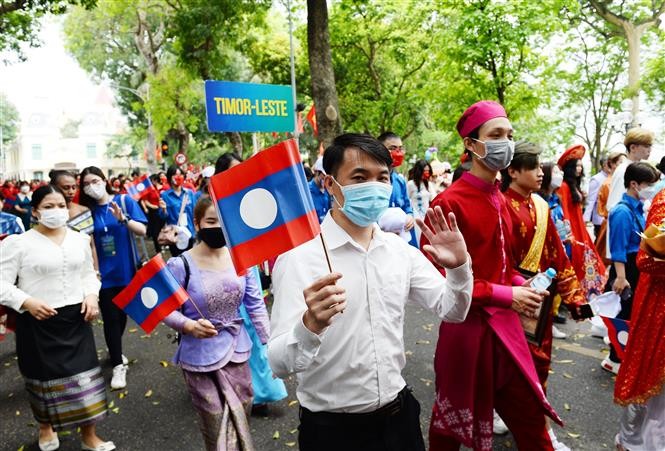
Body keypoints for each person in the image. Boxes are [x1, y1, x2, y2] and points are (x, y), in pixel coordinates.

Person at [268, 133, 473, 451]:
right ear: (330, 184)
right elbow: (279, 363)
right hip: (332, 432)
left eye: (383, 178)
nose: (374, 187)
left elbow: (453, 310)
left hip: (399, 419)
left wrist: (459, 267)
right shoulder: (298, 257)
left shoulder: (398, 250)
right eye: (360, 177)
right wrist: (310, 326)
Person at [424, 101, 560, 451]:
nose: (506, 143)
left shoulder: (501, 199)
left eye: (510, 135)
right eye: (496, 135)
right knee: (447, 431)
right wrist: (506, 294)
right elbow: (441, 281)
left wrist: (519, 284)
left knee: (532, 423)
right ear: (471, 145)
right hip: (466, 334)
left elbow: (503, 266)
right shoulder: (448, 203)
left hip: (507, 331)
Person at [0, 185, 115, 451]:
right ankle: (45, 428)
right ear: (35, 211)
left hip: (76, 319)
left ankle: (90, 435)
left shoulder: (78, 239)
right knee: (42, 380)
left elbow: (88, 274)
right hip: (37, 320)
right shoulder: (18, 243)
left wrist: (91, 296)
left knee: (85, 377)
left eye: (61, 205)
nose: (56, 211)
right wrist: (26, 302)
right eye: (49, 206)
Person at [163, 197, 270, 451]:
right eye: (211, 221)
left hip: (238, 351)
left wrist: (271, 344)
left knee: (241, 414)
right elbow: (164, 309)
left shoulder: (241, 259)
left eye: (224, 222)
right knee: (214, 420)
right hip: (199, 357)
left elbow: (255, 304)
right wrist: (189, 326)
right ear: (197, 224)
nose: (218, 227)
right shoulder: (180, 264)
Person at [501, 141, 588, 451]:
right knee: (509, 365)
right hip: (509, 298)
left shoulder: (539, 205)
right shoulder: (498, 205)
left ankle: (535, 423)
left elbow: (557, 256)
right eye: (535, 167)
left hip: (542, 301)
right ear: (512, 171)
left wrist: (576, 298)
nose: (541, 173)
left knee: (538, 364)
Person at [214, 151, 288, 416]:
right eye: (233, 170)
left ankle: (262, 392)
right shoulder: (213, 206)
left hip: (250, 272)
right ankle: (230, 388)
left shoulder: (250, 200)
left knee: (255, 331)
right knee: (230, 333)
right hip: (222, 275)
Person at [79, 166, 147, 390]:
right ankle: (118, 365)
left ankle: (114, 348)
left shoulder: (124, 201)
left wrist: (123, 219)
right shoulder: (85, 212)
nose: (92, 186)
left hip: (126, 271)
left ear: (104, 180)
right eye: (86, 184)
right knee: (110, 318)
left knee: (122, 315)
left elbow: (143, 231)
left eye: (95, 181)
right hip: (102, 275)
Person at [613, 184, 665, 451]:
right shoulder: (663, 200)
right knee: (650, 380)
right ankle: (632, 441)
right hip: (659, 308)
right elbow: (646, 260)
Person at [602, 162, 661, 375]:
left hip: (634, 269)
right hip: (624, 270)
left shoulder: (638, 208)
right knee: (621, 314)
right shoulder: (621, 211)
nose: (652, 189)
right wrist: (620, 277)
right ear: (634, 184)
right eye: (648, 184)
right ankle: (613, 358)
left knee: (630, 313)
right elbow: (618, 248)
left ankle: (621, 355)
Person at [556, 145, 606, 297]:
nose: (579, 169)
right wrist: (567, 233)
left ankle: (585, 289)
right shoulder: (563, 187)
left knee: (586, 257)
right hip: (572, 228)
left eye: (580, 166)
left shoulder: (573, 186)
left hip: (580, 226)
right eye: (576, 166)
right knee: (576, 259)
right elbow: (564, 211)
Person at [606, 128, 654, 254]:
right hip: (625, 238)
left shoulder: (639, 168)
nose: (649, 150)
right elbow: (613, 206)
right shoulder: (623, 170)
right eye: (646, 146)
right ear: (633, 147)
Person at [377, 131, 417, 246]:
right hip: (380, 239)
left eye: (400, 148)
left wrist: (410, 215)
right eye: (392, 148)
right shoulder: (371, 180)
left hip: (403, 238)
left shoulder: (400, 181)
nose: (398, 153)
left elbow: (407, 205)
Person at [594, 152, 627, 263]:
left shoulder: (614, 181)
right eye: (621, 162)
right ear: (612, 164)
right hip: (611, 222)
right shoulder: (609, 183)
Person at [160, 165, 197, 256]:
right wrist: (164, 209)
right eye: (175, 175)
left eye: (180, 174)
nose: (178, 177)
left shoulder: (189, 193)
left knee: (192, 260)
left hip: (190, 232)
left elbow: (195, 212)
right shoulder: (165, 196)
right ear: (169, 178)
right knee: (179, 261)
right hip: (175, 235)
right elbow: (163, 217)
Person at [407, 159, 434, 242]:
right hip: (415, 218)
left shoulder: (429, 184)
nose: (427, 173)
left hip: (427, 217)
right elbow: (407, 200)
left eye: (428, 171)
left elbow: (433, 198)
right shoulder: (410, 184)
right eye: (425, 170)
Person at [141, 173, 167, 253]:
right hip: (153, 212)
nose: (153, 182)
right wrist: (152, 206)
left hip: (162, 211)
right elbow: (145, 201)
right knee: (155, 232)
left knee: (162, 229)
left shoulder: (162, 188)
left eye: (154, 180)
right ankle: (158, 249)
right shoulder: (149, 190)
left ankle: (164, 243)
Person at [584, 156, 609, 238]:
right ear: (604, 165)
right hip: (600, 218)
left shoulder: (613, 177)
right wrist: (586, 219)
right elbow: (591, 200)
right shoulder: (596, 179)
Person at [309, 156, 331, 223]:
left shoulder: (328, 191)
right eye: (324, 175)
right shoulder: (307, 191)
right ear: (316, 172)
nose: (326, 179)